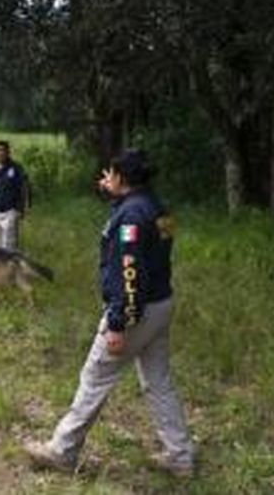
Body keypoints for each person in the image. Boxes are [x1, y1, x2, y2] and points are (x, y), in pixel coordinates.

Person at [24, 149, 195, 478]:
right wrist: (115, 196)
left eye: (112, 175)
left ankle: (62, 450)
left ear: (123, 179)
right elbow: (148, 245)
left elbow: (130, 272)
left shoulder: (130, 218)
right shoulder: (157, 208)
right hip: (161, 304)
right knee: (158, 382)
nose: (107, 179)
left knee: (94, 378)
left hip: (136, 310)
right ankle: (180, 455)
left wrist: (118, 323)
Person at [0, 140, 30, 250]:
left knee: (9, 245)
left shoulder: (16, 169)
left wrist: (22, 208)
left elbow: (25, 188)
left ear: (8, 152)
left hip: (10, 211)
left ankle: (11, 267)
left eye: (3, 150)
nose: (0, 153)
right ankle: (0, 267)